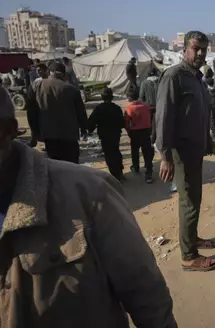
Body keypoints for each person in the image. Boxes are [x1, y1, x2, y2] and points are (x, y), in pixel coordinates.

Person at [0, 86, 177, 328]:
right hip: (97, 136)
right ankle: (139, 171)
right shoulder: (114, 107)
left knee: (119, 155)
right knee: (134, 154)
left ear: (8, 130)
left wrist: (89, 128)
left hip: (86, 139)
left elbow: (142, 287)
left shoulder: (90, 193)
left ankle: (128, 170)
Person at [155, 30, 215, 272]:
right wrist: (165, 156)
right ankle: (188, 256)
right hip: (181, 152)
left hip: (196, 149)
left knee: (195, 198)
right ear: (184, 50)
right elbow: (163, 118)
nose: (200, 53)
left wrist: (208, 139)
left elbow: (198, 113)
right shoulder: (174, 77)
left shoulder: (196, 78)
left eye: (204, 49)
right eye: (196, 48)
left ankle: (191, 238)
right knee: (189, 202)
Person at [34, 62, 87, 163]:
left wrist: (35, 133)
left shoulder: (37, 86)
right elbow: (81, 112)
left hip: (49, 134)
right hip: (69, 135)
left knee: (55, 165)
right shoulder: (71, 89)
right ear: (63, 74)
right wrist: (84, 129)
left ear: (50, 72)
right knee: (72, 165)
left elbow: (32, 112)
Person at [87, 87, 125, 181]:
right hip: (115, 134)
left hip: (104, 135)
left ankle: (115, 174)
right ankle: (119, 172)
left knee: (109, 154)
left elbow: (92, 121)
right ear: (112, 97)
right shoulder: (117, 108)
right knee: (116, 151)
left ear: (102, 97)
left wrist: (90, 130)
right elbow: (122, 122)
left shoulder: (99, 109)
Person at [124, 86, 155, 184]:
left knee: (135, 151)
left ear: (129, 98)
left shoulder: (129, 108)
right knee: (147, 153)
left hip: (135, 132)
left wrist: (129, 132)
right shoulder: (146, 106)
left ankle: (136, 167)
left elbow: (126, 123)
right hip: (146, 132)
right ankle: (148, 174)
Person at [25, 63, 49, 147]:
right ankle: (34, 140)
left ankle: (48, 144)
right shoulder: (36, 81)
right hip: (38, 106)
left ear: (46, 70)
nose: (38, 72)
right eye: (37, 70)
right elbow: (32, 94)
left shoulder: (50, 80)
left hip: (47, 106)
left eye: (40, 70)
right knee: (35, 124)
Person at [139, 67, 160, 142]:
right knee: (156, 125)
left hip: (148, 107)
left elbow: (141, 96)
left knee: (148, 124)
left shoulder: (144, 83)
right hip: (158, 107)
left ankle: (149, 140)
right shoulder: (160, 82)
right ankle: (154, 140)